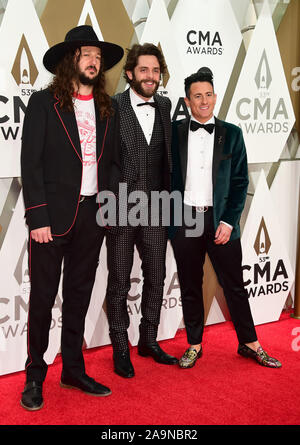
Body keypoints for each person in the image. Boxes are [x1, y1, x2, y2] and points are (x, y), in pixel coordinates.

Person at [20, 25, 124, 410]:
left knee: (78, 295)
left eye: (98, 56)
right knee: (43, 299)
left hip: (92, 215)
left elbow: (112, 165)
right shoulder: (44, 104)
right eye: (86, 54)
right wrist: (37, 216)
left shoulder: (106, 108)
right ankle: (35, 375)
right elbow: (30, 163)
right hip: (52, 218)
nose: (94, 61)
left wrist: (110, 206)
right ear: (71, 60)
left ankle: (73, 370)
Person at [169, 67, 281, 369]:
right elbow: (165, 177)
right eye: (197, 96)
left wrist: (229, 221)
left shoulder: (232, 134)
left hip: (222, 222)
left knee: (234, 285)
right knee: (191, 284)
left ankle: (250, 342)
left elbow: (241, 181)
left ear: (215, 97)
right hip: (185, 222)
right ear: (187, 100)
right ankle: (194, 344)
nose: (203, 101)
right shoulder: (174, 132)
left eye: (208, 95)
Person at [105, 43, 178, 378]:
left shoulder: (164, 105)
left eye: (156, 70)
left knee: (157, 276)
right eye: (144, 70)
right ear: (130, 73)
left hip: (157, 207)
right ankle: (120, 346)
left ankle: (148, 339)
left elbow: (169, 160)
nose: (151, 76)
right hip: (120, 207)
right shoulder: (112, 106)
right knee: (119, 280)